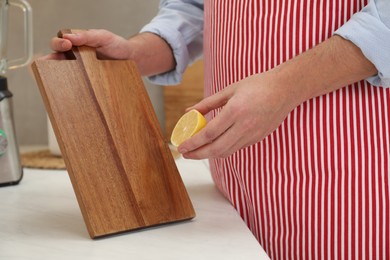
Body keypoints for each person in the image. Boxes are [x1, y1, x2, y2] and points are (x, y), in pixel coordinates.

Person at [50, 0, 390, 259]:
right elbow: (196, 7)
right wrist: (137, 53)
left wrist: (286, 86)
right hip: (234, 188)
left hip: (348, 189)